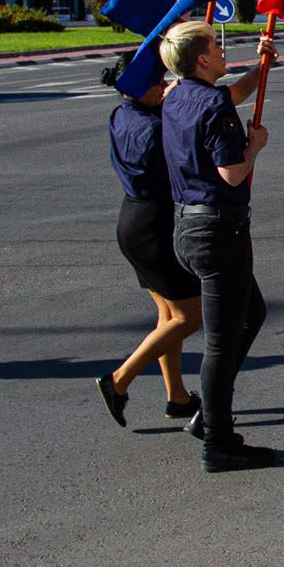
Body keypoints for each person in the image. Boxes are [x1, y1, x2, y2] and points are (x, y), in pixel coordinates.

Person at [160, 20, 276, 473]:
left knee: (251, 314)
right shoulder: (211, 103)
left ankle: (208, 416)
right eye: (216, 44)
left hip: (189, 227)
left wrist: (261, 67)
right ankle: (218, 440)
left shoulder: (178, 96)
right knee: (222, 342)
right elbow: (232, 172)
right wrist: (254, 146)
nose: (223, 49)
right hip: (218, 230)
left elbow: (232, 94)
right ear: (203, 58)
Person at [94, 55, 202, 430]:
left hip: (134, 222)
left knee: (169, 316)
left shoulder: (121, 115)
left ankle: (177, 398)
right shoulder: (152, 131)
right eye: (159, 81)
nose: (165, 85)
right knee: (191, 315)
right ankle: (119, 379)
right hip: (152, 228)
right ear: (139, 88)